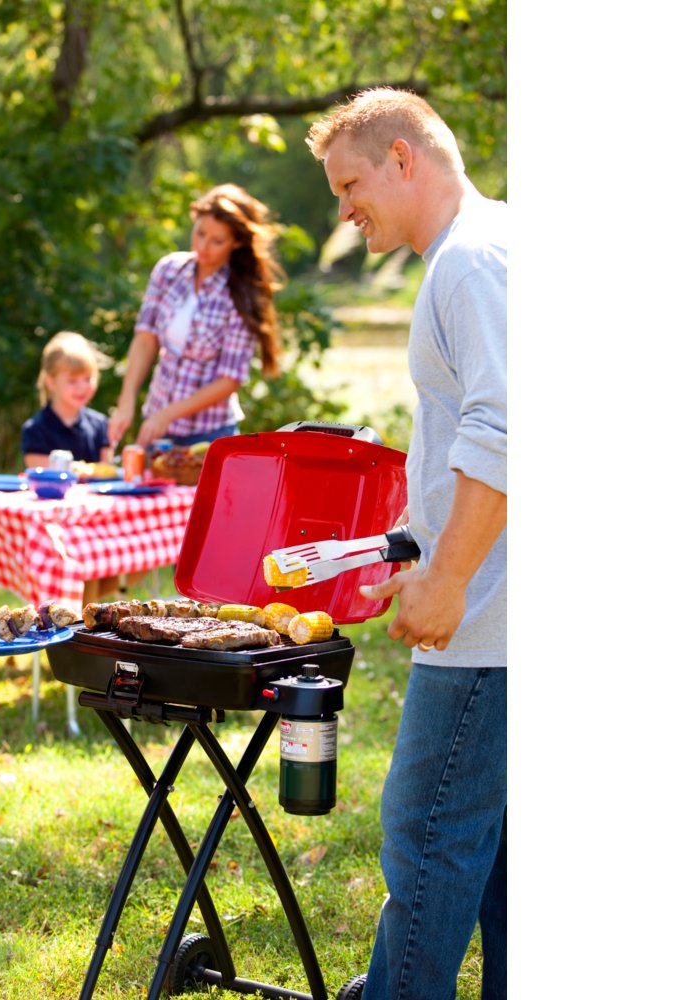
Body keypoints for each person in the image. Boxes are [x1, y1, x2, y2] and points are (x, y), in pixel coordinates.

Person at [305, 88, 507, 1000]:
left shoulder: (469, 263)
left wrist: (451, 576)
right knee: (495, 851)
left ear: (403, 159)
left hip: (493, 623)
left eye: (350, 182)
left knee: (426, 832)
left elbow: (506, 429)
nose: (343, 210)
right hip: (497, 605)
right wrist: (413, 551)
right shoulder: (492, 248)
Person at [108, 183, 284, 449]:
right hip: (156, 428)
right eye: (200, 233)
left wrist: (168, 414)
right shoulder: (168, 271)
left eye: (217, 241)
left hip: (209, 435)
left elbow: (229, 380)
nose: (203, 246)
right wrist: (126, 401)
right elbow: (145, 339)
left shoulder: (240, 295)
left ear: (236, 242)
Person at [21, 331, 114, 468]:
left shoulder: (101, 425)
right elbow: (41, 473)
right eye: (72, 381)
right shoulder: (35, 429)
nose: (82, 387)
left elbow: (106, 471)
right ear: (51, 382)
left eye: (88, 379)